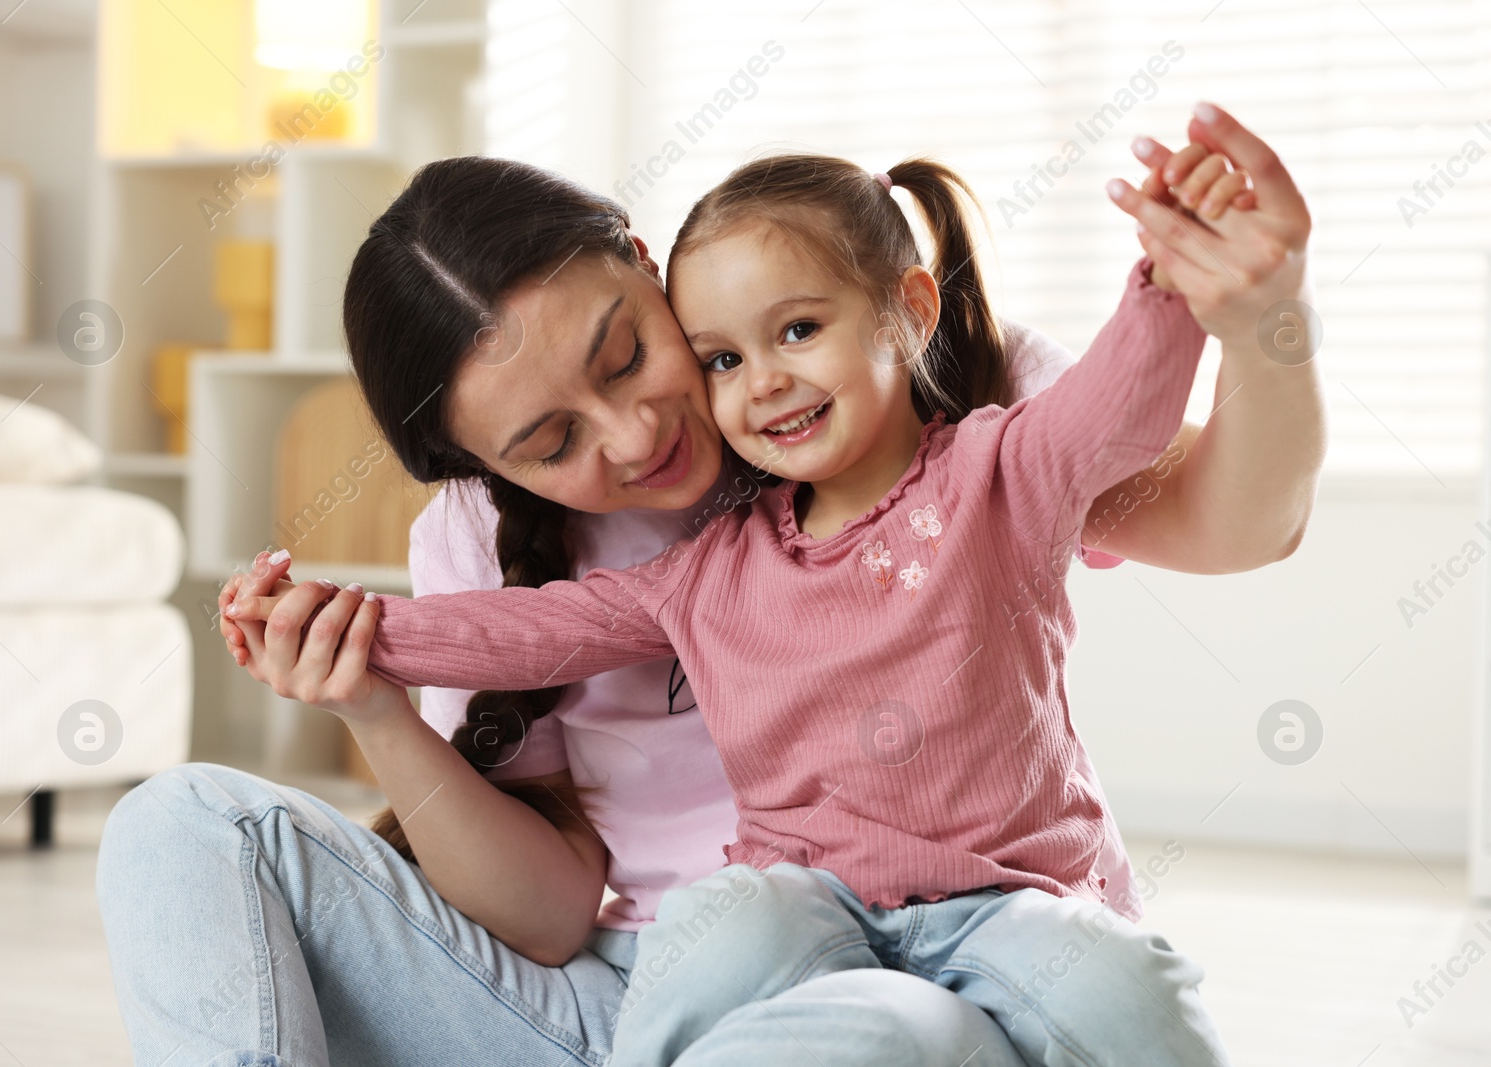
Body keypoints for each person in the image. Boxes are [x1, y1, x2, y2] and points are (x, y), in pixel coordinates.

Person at [105, 103, 1320, 1066]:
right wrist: (369, 692)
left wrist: (1250, 313)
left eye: (629, 353)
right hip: (633, 1004)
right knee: (179, 821)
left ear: (646, 261)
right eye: (547, 445)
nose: (630, 442)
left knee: (908, 1028)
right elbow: (542, 915)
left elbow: (1236, 523)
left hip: (933, 968)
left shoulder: (936, 387)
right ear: (482, 466)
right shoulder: (499, 541)